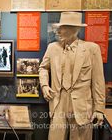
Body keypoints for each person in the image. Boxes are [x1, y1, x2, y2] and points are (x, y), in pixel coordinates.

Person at [39, 12, 105, 140]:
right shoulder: (52, 48)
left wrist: (99, 109)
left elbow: (98, 80)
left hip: (82, 105)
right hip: (58, 101)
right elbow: (43, 68)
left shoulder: (91, 49)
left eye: (62, 28)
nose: (58, 31)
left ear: (74, 30)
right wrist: (45, 85)